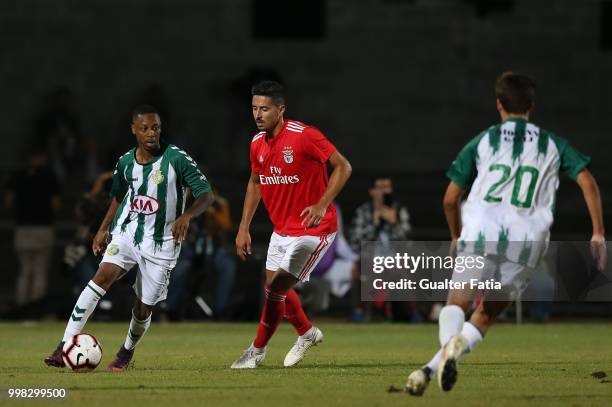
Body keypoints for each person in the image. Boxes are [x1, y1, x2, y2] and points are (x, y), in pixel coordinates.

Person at [405, 71, 606, 395]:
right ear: (531, 105)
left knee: (457, 303)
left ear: (499, 104)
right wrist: (597, 232)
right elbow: (587, 182)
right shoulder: (553, 143)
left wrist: (456, 234)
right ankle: (430, 369)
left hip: (481, 231)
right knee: (486, 314)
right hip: (527, 242)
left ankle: (439, 361)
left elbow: (450, 198)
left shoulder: (484, 140)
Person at [44, 105, 213, 371]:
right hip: (128, 232)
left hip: (162, 242)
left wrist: (188, 215)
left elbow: (206, 194)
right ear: (133, 129)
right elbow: (118, 196)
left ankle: (126, 352)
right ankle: (63, 346)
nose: (151, 133)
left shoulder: (177, 159)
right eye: (144, 128)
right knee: (101, 276)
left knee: (143, 307)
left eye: (155, 127)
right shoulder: (124, 162)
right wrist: (103, 228)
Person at [231, 81, 352, 369]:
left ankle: (256, 351)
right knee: (274, 289)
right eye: (254, 108)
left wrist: (323, 204)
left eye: (264, 109)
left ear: (281, 109)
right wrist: (243, 227)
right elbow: (255, 182)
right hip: (282, 229)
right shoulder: (256, 144)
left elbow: (343, 166)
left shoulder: (304, 135)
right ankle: (307, 333)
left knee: (276, 288)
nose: (258, 115)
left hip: (314, 229)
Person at [349, 177, 412, 322]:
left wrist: (394, 224)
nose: (384, 191)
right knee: (367, 268)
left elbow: (407, 243)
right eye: (380, 187)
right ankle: (363, 313)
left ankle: (408, 314)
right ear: (372, 191)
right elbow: (355, 242)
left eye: (387, 187)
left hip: (394, 258)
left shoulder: (399, 210)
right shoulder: (364, 211)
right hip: (370, 257)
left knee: (400, 270)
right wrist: (375, 225)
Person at [4, 149, 61, 306]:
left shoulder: (18, 176)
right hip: (43, 227)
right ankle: (35, 308)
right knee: (39, 271)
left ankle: (22, 306)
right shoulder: (49, 175)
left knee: (24, 271)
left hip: (23, 228)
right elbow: (56, 204)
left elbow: (8, 202)